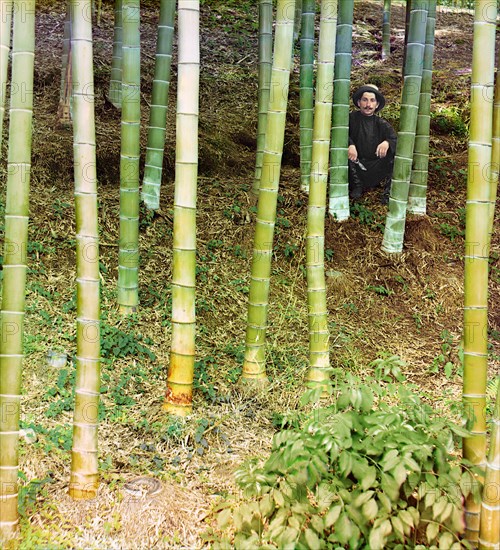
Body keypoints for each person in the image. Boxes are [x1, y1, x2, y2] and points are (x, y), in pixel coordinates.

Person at [348, 84, 397, 204]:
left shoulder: (381, 123)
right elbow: (339, 133)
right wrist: (349, 144)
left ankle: (388, 193)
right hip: (354, 166)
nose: (368, 105)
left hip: (375, 167)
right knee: (343, 153)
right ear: (359, 102)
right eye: (365, 100)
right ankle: (357, 186)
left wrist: (387, 143)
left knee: (395, 157)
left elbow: (394, 138)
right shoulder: (350, 118)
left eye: (372, 101)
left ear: (377, 105)